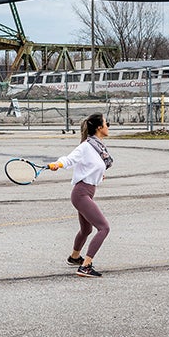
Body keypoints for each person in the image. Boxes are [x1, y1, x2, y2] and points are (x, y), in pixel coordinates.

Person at [48, 113, 113, 278]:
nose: (108, 126)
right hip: (81, 193)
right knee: (104, 228)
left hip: (87, 193)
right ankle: (86, 266)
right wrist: (58, 164)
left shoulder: (97, 147)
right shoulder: (86, 146)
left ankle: (75, 257)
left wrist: (99, 174)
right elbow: (69, 159)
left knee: (86, 229)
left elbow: (93, 167)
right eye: (107, 123)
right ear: (99, 127)